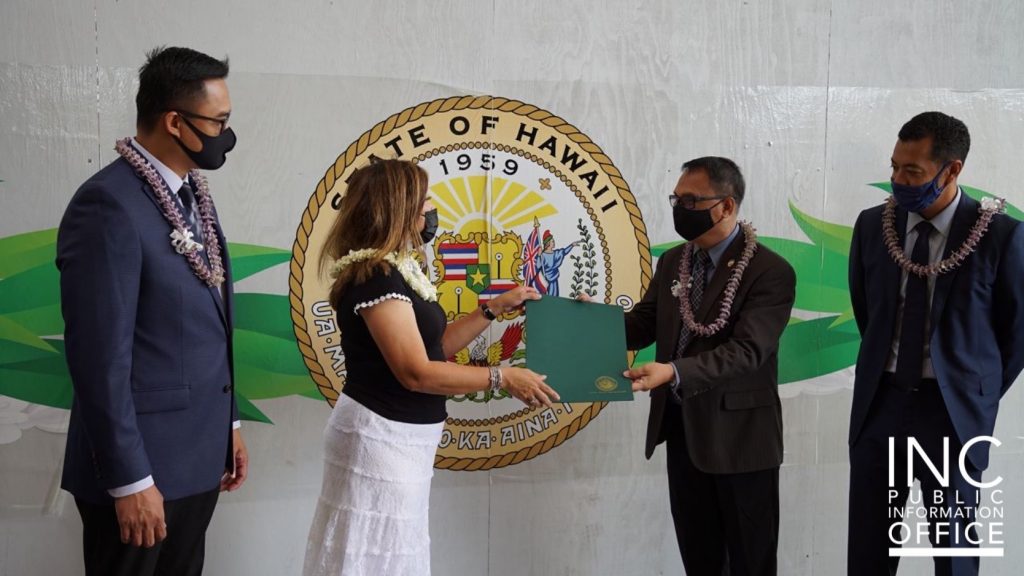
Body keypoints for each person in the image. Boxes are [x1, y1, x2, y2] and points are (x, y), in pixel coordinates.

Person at [302, 158, 559, 576]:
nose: (430, 210)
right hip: (379, 439)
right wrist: (502, 377)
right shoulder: (377, 279)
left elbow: (434, 348)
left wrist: (493, 309)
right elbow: (416, 372)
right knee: (369, 559)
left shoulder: (398, 270)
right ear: (397, 208)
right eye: (423, 202)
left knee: (392, 556)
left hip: (406, 440)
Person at [56, 46, 247, 576]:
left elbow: (205, 322)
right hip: (143, 472)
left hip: (197, 458)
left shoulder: (192, 194)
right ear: (175, 122)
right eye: (218, 122)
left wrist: (228, 422)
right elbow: (98, 358)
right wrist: (130, 480)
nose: (227, 135)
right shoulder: (108, 204)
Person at [847, 112, 1024, 576]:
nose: (898, 181)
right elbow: (868, 312)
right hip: (880, 405)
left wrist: (973, 392)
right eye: (894, 167)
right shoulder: (872, 226)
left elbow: (1015, 334)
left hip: (951, 416)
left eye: (913, 171)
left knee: (954, 550)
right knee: (868, 546)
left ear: (952, 170)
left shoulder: (1000, 236)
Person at [617, 157, 795, 575]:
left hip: (741, 442)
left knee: (751, 563)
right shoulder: (673, 261)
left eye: (691, 201)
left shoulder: (770, 271)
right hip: (684, 433)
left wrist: (673, 372)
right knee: (700, 561)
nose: (680, 209)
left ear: (726, 206)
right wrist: (586, 321)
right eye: (676, 199)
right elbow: (643, 323)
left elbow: (748, 351)